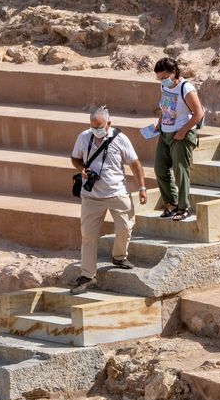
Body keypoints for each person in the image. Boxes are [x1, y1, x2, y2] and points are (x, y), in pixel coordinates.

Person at [69, 106, 149, 295]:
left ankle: (119, 256)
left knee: (125, 227)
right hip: (91, 196)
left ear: (108, 124)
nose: (95, 130)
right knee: (88, 236)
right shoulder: (84, 137)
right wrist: (82, 168)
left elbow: (135, 164)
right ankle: (87, 275)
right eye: (93, 126)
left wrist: (142, 188)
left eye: (99, 126)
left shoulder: (120, 139)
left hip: (117, 193)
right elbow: (75, 159)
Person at [152, 57, 205, 222]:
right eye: (159, 78)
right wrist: (159, 124)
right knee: (160, 168)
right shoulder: (165, 86)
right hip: (165, 133)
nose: (162, 81)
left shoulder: (186, 88)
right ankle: (172, 203)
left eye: (164, 77)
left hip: (181, 135)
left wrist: (183, 131)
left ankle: (184, 207)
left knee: (180, 172)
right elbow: (164, 107)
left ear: (173, 73)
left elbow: (199, 113)